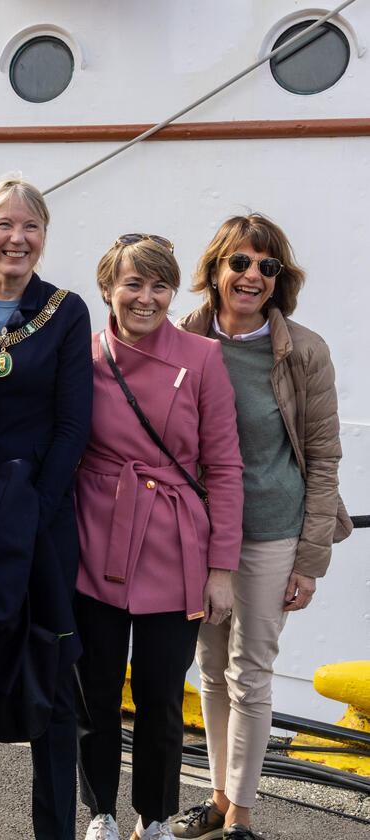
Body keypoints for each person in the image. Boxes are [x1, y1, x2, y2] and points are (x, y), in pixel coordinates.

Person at [170, 215, 352, 840]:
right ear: (216, 271)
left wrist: (310, 560)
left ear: (279, 280)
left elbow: (324, 458)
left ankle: (242, 815)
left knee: (251, 670)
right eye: (239, 264)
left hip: (273, 531)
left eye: (266, 267)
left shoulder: (303, 350)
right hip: (200, 532)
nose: (252, 276)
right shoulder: (182, 340)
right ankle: (218, 799)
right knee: (211, 668)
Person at [75, 235, 244, 840]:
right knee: (94, 692)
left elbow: (223, 467)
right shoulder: (84, 354)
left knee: (161, 698)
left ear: (173, 292)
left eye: (159, 286)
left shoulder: (201, 357)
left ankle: (156, 815)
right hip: (95, 535)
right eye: (132, 284)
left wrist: (221, 569)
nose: (146, 298)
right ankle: (101, 813)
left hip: (175, 545)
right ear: (107, 288)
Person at [0, 177, 92, 840]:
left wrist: (33, 509)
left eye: (31, 227)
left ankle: (53, 829)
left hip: (40, 522)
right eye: (4, 225)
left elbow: (71, 424)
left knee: (53, 680)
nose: (17, 238)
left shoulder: (68, 310)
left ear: (43, 238)